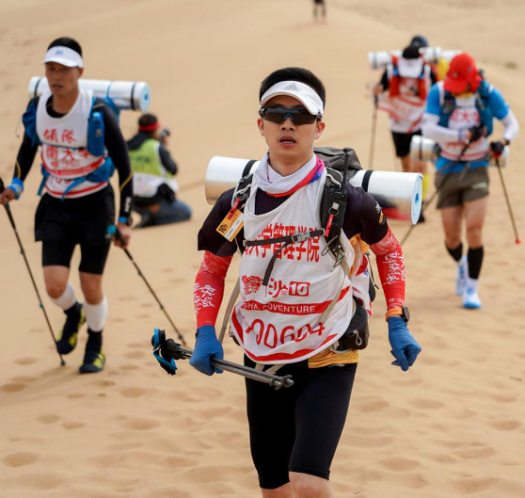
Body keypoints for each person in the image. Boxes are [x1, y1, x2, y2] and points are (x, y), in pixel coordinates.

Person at [190, 67, 421, 498]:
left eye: (300, 115)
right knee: (275, 489)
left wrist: (396, 318)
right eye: (275, 113)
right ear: (260, 124)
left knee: (309, 483)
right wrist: (205, 331)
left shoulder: (347, 200)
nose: (288, 124)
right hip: (261, 354)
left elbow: (389, 252)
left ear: (319, 127)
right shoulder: (237, 201)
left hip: (329, 350)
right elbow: (212, 270)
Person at [0, 37, 133, 373]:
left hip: (96, 206)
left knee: (91, 284)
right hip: (56, 205)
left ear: (80, 72)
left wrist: (124, 218)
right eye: (51, 69)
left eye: (64, 70)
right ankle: (74, 314)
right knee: (55, 286)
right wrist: (15, 185)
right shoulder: (37, 107)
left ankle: (96, 342)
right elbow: (28, 148)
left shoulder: (97, 111)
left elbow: (124, 166)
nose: (56, 76)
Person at [421, 52, 519, 309]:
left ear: (472, 80)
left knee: (474, 230)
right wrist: (460, 135)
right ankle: (461, 264)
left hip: (478, 168)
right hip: (447, 168)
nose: (456, 89)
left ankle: (472, 290)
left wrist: (503, 142)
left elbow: (512, 124)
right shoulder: (439, 92)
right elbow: (428, 129)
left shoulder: (487, 93)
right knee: (452, 239)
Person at [373, 43, 437, 220]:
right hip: (398, 125)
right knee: (407, 166)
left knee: (420, 165)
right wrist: (377, 91)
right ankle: (411, 203)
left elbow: (437, 93)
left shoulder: (428, 72)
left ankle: (419, 205)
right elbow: (382, 88)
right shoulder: (391, 70)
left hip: (421, 124)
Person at [128, 113, 191, 228]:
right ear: (155, 129)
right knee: (186, 212)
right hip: (154, 199)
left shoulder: (127, 146)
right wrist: (163, 148)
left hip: (133, 201)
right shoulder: (156, 147)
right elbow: (173, 169)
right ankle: (152, 217)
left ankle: (148, 215)